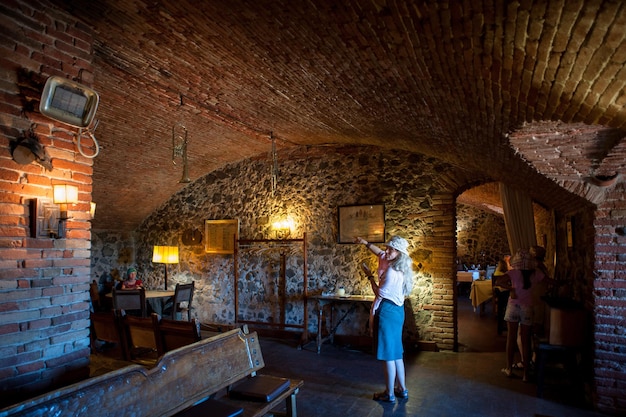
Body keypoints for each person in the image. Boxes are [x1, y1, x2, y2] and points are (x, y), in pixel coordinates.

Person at [355, 235, 414, 403]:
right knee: (396, 353)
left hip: (387, 312)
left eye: (390, 249)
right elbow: (379, 252)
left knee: (388, 354)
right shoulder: (400, 267)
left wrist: (369, 276)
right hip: (398, 312)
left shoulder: (391, 271)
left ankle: (389, 393)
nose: (386, 251)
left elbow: (379, 293)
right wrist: (365, 242)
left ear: (398, 253)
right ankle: (402, 389)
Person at [496, 248, 545, 382]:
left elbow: (498, 282)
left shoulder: (513, 273)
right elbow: (549, 281)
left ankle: (509, 369)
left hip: (513, 306)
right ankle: (526, 374)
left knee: (511, 338)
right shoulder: (536, 273)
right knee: (526, 339)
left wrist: (511, 288)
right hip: (527, 307)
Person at [492, 256, 511, 335]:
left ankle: (501, 327)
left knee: (501, 308)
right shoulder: (506, 274)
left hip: (499, 294)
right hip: (505, 294)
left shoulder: (497, 273)